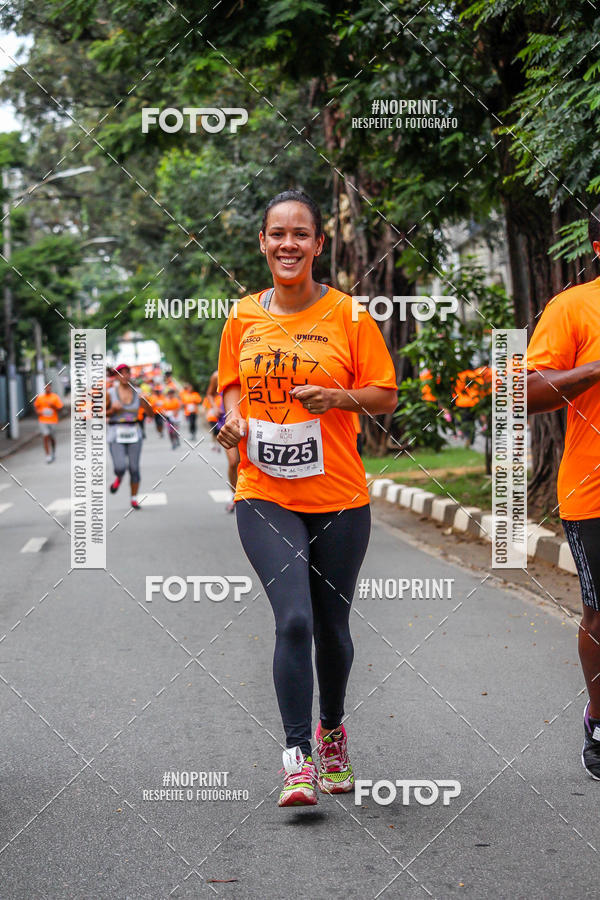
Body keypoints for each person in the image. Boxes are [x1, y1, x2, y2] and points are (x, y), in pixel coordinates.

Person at [217, 189, 398, 806]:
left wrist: (337, 398)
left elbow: (384, 394)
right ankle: (297, 758)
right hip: (263, 491)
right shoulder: (242, 316)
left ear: (319, 244)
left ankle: (333, 732)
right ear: (262, 243)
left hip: (339, 496)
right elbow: (232, 387)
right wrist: (233, 421)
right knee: (293, 619)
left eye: (300, 234)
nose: (287, 244)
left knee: (332, 627)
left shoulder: (349, 316)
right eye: (277, 233)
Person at [527, 203, 600, 779]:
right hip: (593, 490)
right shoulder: (572, 307)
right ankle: (599, 717)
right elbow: (528, 391)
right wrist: (595, 369)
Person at [106, 363, 153, 509]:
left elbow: (151, 415)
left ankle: (134, 498)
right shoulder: (110, 393)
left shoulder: (138, 392)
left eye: (127, 372)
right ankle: (119, 478)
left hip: (134, 432)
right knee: (120, 467)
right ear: (116, 376)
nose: (124, 376)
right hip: (116, 433)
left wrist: (145, 403)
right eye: (121, 373)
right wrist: (112, 410)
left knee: (134, 468)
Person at [33, 383, 63, 463]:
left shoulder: (55, 397)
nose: (48, 389)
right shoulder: (40, 398)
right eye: (46, 387)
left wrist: (53, 406)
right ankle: (48, 455)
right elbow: (36, 406)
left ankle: (53, 452)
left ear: (51, 388)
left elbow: (60, 408)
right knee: (45, 436)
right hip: (43, 420)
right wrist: (38, 412)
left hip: (53, 421)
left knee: (52, 438)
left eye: (49, 387)